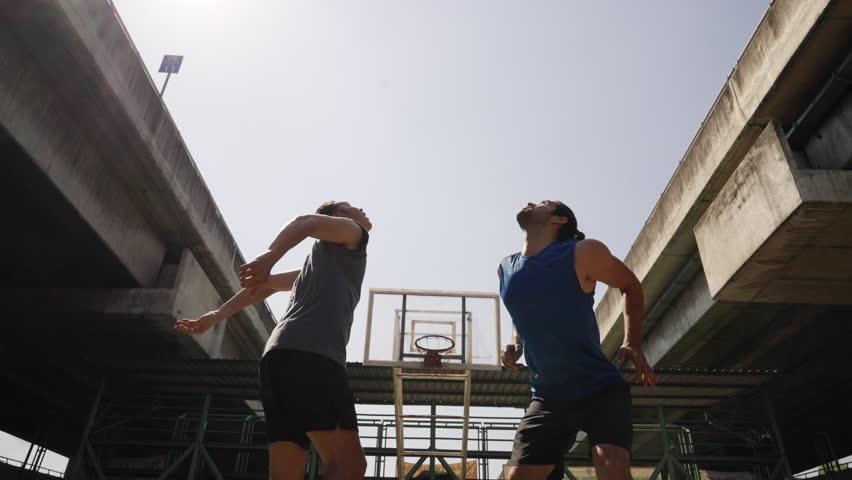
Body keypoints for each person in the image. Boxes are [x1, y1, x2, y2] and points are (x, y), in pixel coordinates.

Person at [174, 201, 371, 480]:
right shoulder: (355, 234)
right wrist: (269, 256)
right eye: (348, 207)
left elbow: (263, 287)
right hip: (312, 357)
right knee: (350, 466)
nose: (359, 209)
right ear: (336, 219)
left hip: (278, 360)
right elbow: (307, 221)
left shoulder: (316, 269)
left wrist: (215, 316)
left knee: (285, 472)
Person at [498, 200, 657, 480]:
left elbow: (630, 285)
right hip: (548, 395)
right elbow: (521, 310)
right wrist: (517, 343)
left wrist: (632, 342)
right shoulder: (505, 268)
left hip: (600, 387)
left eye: (542, 203)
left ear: (558, 220)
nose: (530, 203)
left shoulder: (583, 252)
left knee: (611, 464)